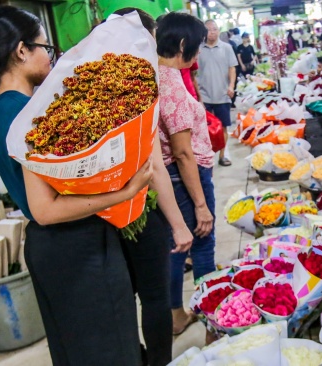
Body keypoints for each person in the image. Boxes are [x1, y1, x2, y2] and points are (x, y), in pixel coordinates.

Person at [0, 6, 181, 365]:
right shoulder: (27, 114)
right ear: (21, 51)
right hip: (75, 245)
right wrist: (123, 192)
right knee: (109, 350)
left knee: (81, 349)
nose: (52, 60)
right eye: (44, 49)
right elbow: (45, 209)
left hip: (53, 246)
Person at [111, 8, 196, 365]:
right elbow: (155, 164)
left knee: (123, 298)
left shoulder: (92, 84)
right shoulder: (137, 86)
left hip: (104, 210)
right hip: (139, 205)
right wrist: (179, 224)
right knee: (155, 296)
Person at [156, 13, 218, 344]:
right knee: (203, 243)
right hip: (185, 177)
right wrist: (201, 204)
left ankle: (176, 315)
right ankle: (213, 324)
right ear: (182, 44)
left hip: (170, 178)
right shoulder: (173, 89)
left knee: (175, 248)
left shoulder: (154, 75)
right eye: (196, 44)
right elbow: (183, 154)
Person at [198, 19, 238, 167]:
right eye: (208, 29)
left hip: (222, 94)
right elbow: (193, 72)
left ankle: (222, 156)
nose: (212, 32)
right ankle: (207, 157)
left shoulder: (227, 48)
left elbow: (232, 68)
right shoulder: (198, 49)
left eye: (214, 29)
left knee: (223, 127)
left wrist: (231, 86)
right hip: (204, 95)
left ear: (219, 30)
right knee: (204, 129)